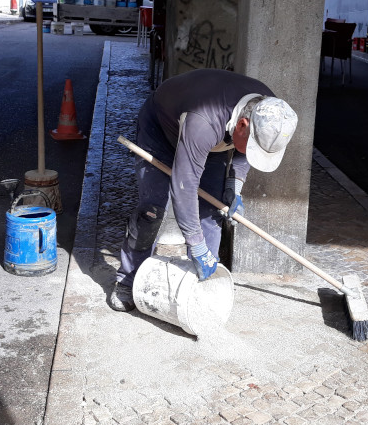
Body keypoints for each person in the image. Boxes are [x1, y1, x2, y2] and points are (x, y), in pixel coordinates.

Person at [108, 68, 299, 312]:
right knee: (152, 210)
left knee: (213, 210)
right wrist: (197, 245)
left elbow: (248, 149)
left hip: (213, 140)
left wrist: (235, 184)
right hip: (161, 129)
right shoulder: (204, 121)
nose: (254, 152)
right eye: (253, 146)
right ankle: (128, 278)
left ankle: (202, 287)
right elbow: (184, 187)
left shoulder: (270, 109)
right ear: (242, 124)